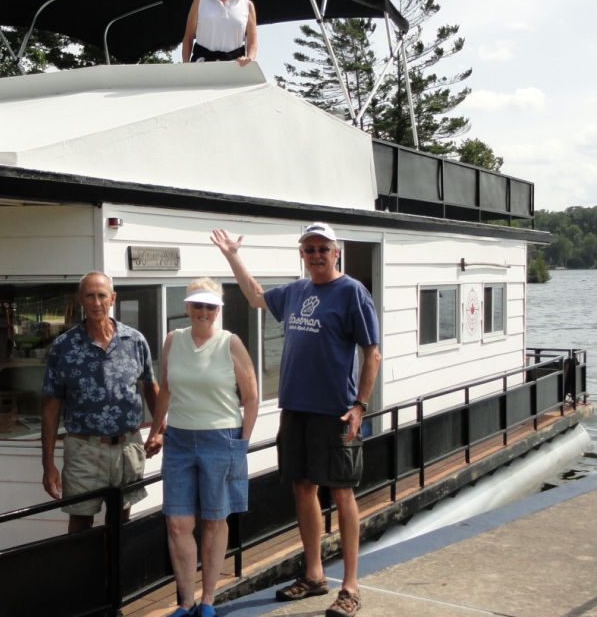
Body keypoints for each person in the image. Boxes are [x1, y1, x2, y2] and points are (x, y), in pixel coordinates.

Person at [211, 223, 380, 617]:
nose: (316, 254)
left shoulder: (352, 292)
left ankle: (351, 587)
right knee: (303, 489)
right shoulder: (295, 291)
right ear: (301, 254)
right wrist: (233, 256)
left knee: (341, 492)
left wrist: (360, 406)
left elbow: (372, 353)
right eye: (309, 249)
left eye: (323, 248)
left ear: (336, 252)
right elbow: (254, 297)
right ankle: (314, 574)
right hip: (296, 409)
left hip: (335, 410)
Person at [145, 279, 258, 617]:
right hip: (178, 440)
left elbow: (251, 398)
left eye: (210, 306)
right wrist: (155, 431)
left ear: (218, 309)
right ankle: (186, 601)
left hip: (220, 439)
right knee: (178, 523)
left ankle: (207, 601)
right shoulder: (172, 341)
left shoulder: (231, 343)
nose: (203, 311)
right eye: (198, 305)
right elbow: (165, 389)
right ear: (187, 307)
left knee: (213, 520)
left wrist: (242, 444)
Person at [41, 272, 159, 532]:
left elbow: (152, 388)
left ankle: (112, 573)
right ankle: (84, 573)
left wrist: (159, 431)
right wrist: (48, 464)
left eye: (102, 295)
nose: (96, 302)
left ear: (112, 298)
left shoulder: (135, 341)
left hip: (128, 447)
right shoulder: (64, 347)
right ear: (80, 300)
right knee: (80, 523)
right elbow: (51, 408)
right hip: (83, 450)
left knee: (121, 522)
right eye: (90, 296)